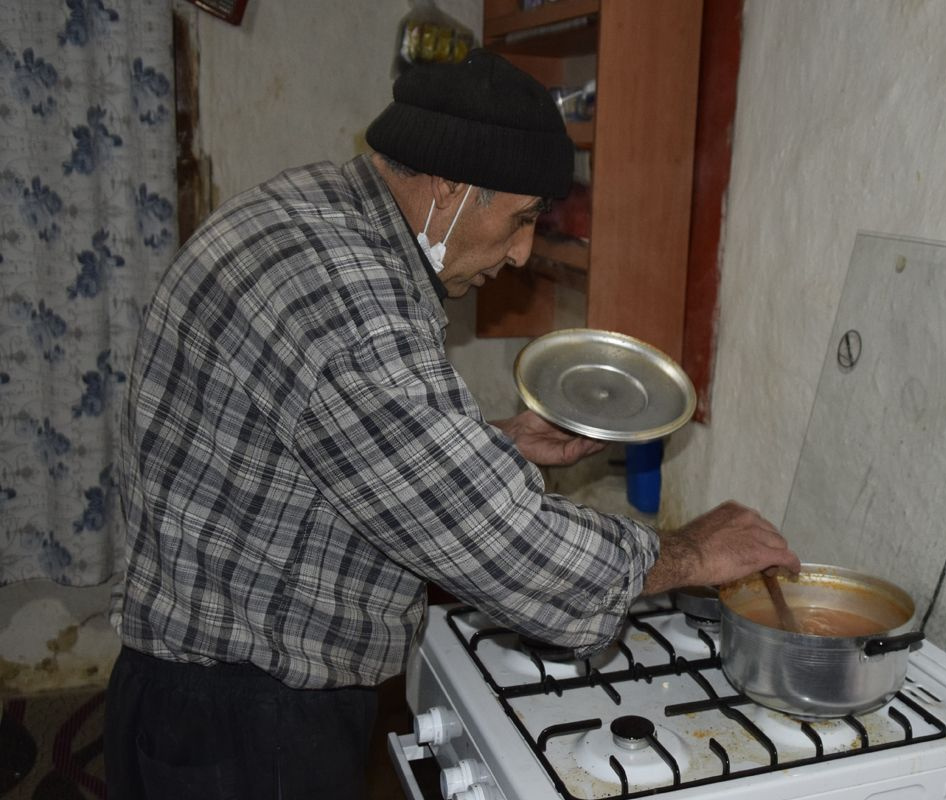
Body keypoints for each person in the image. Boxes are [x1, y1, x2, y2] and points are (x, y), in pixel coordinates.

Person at [105, 49, 800, 798]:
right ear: (450, 186)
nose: (523, 251)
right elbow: (506, 548)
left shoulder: (317, 211)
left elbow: (330, 449)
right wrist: (691, 553)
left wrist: (496, 443)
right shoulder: (350, 298)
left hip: (201, 690)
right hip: (241, 722)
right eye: (522, 219)